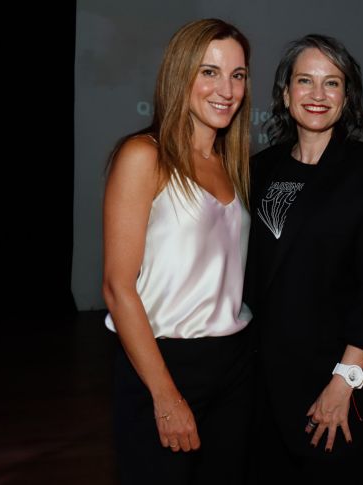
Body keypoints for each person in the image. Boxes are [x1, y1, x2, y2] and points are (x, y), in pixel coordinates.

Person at [243, 34, 363, 484]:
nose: (317, 95)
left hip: (335, 381)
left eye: (331, 83)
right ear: (285, 93)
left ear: (347, 96)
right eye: (305, 81)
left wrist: (344, 380)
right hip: (263, 383)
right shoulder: (258, 170)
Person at [102, 19, 253, 485]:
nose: (225, 89)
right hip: (161, 362)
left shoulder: (233, 162)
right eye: (209, 72)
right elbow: (116, 287)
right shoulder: (143, 156)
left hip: (234, 363)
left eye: (238, 75)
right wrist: (165, 396)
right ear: (179, 75)